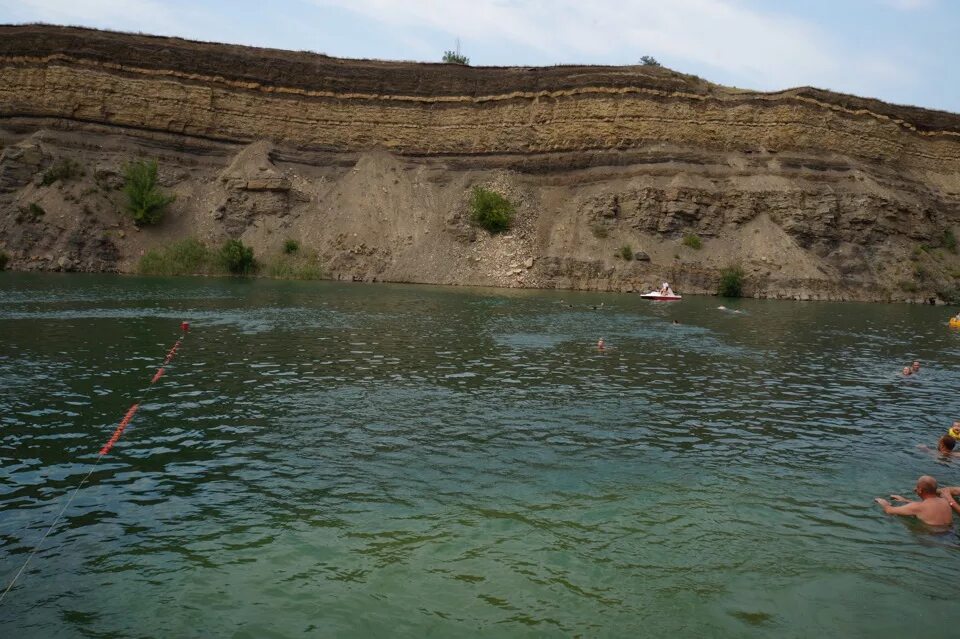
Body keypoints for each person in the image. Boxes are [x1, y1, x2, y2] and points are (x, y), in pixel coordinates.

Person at [875, 476, 953, 527]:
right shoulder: (944, 501)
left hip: (932, 538)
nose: (915, 489)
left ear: (921, 490)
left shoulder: (917, 507)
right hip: (949, 534)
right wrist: (905, 500)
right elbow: (927, 506)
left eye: (917, 487)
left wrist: (884, 503)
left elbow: (889, 510)